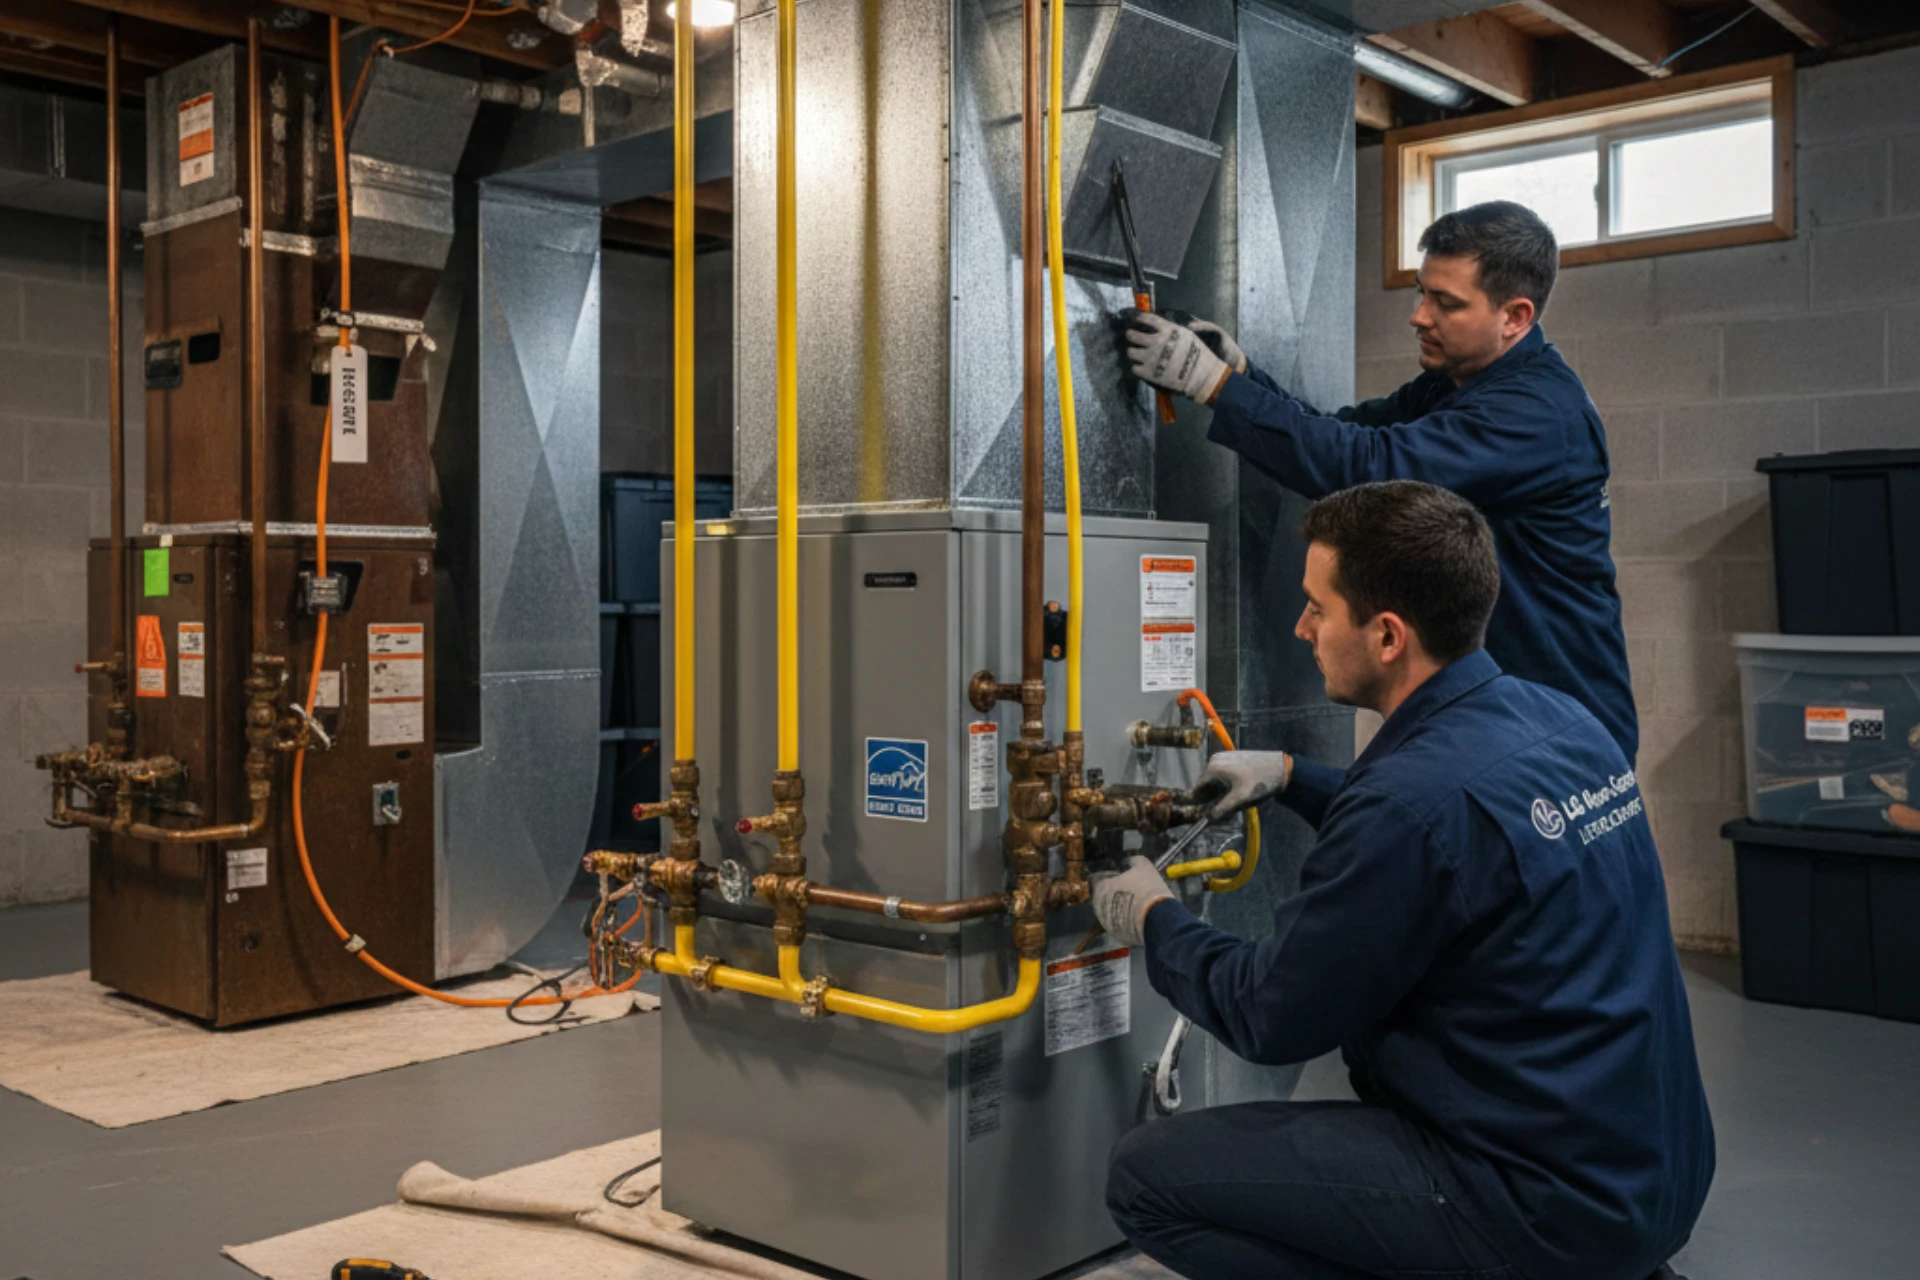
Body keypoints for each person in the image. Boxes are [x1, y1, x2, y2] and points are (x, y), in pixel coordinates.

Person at [1092, 481, 1713, 1280]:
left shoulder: (1407, 805)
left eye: (1318, 607)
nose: (1302, 627)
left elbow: (1268, 1012)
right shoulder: (1563, 720)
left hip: (1533, 1203)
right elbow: (1453, 831)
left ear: (1387, 636)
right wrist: (1290, 774)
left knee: (1147, 1179)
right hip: (1651, 1177)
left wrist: (1152, 918)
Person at [1122, 200, 1638, 763]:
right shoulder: (1459, 383)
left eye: (1446, 303)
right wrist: (1244, 375)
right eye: (1422, 292)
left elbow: (1369, 468)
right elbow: (1347, 433)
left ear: (1515, 316)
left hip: (1559, 724)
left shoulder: (1537, 414)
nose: (1419, 316)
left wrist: (1215, 385)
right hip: (1500, 714)